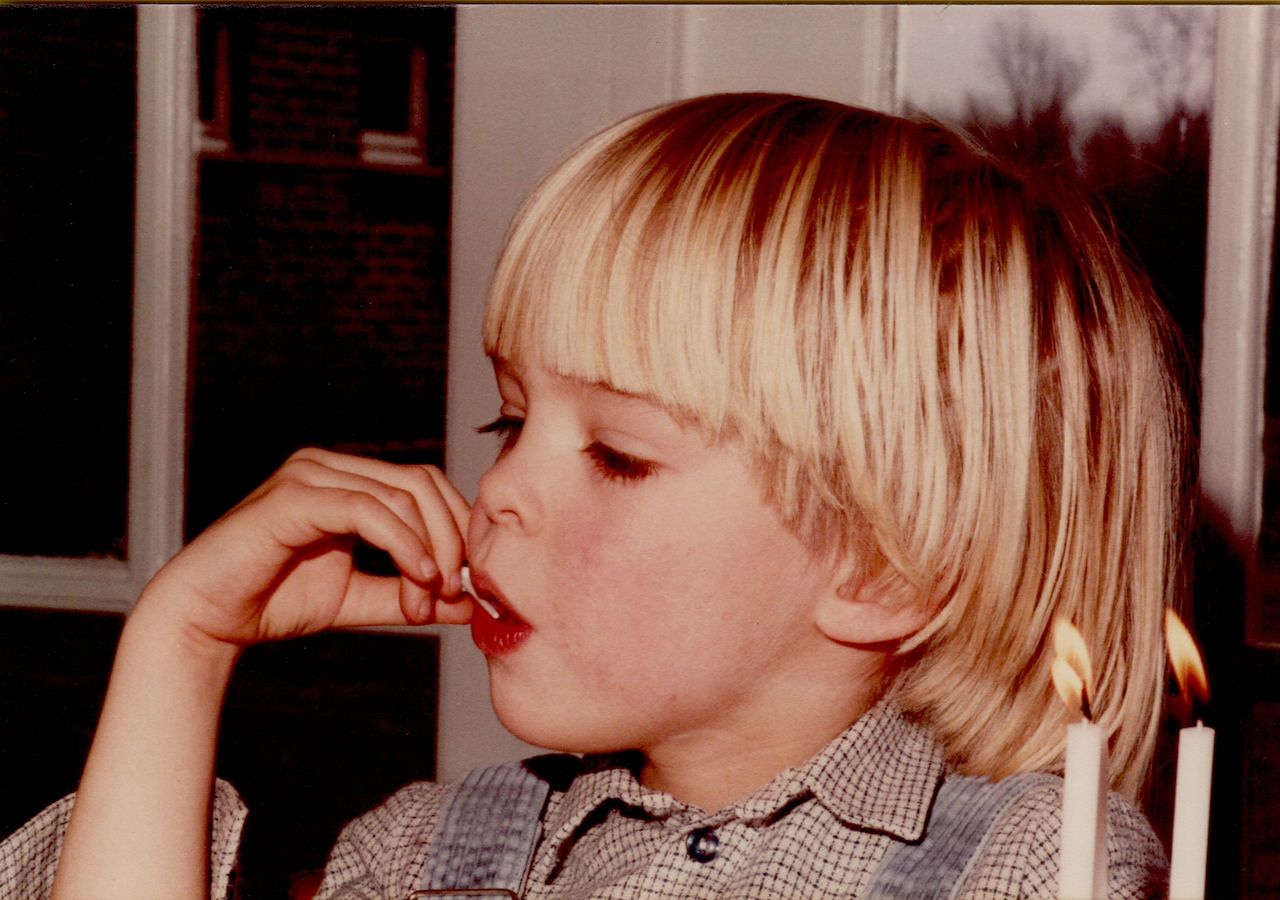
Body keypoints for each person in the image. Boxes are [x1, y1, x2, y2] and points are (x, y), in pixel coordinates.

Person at [2, 93, 1185, 898]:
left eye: (616, 454)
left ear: (886, 566)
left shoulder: (1031, 864)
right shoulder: (427, 857)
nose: (499, 486)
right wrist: (181, 645)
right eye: (509, 419)